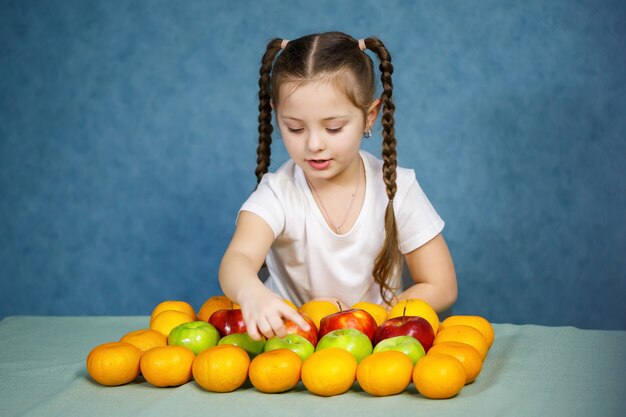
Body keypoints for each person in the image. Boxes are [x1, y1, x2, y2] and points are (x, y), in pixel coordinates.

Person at [219, 32, 457, 340]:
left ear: (369, 116)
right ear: (276, 116)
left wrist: (372, 322)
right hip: (287, 350)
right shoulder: (277, 193)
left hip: (371, 355)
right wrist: (252, 293)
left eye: (333, 128)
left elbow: (442, 285)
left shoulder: (398, 188)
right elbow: (236, 260)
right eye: (295, 128)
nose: (314, 144)